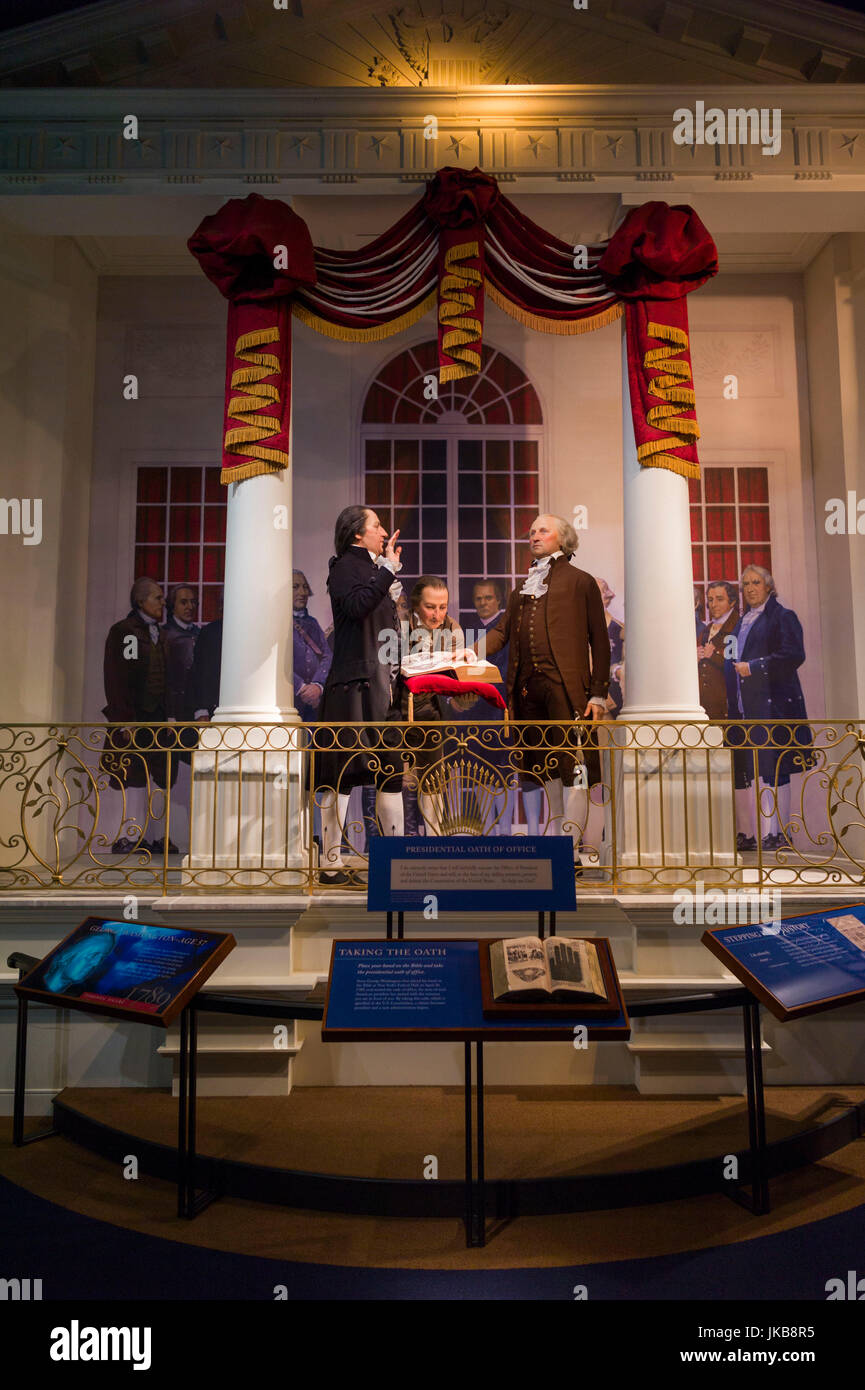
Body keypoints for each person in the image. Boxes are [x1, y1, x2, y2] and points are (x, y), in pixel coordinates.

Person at [481, 514, 610, 856]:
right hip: (528, 692)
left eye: (543, 530)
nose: (534, 535)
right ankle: (559, 842)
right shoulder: (521, 589)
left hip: (568, 691)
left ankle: (573, 847)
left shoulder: (581, 582)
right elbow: (501, 633)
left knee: (575, 769)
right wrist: (472, 648)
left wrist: (598, 691)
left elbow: (600, 639)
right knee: (546, 768)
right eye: (532, 531)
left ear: (563, 539)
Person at [317, 506, 403, 882]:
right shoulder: (344, 567)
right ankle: (331, 862)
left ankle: (393, 861)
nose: (384, 532)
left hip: (381, 686)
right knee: (343, 776)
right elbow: (355, 607)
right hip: (353, 688)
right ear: (357, 533)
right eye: (377, 526)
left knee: (391, 773)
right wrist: (386, 572)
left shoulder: (371, 569)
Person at [724, 566, 814, 852]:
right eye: (745, 584)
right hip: (745, 707)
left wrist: (755, 667)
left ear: (768, 586)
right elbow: (731, 659)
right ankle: (763, 833)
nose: (750, 588)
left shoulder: (782, 616)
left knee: (776, 768)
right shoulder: (740, 622)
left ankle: (779, 834)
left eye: (756, 582)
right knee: (757, 771)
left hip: (773, 705)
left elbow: (794, 655)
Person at [388, 576, 477, 835]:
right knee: (393, 780)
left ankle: (434, 842)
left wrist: (466, 684)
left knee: (433, 781)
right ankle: (393, 846)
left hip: (430, 712)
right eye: (430, 607)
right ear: (416, 605)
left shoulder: (453, 628)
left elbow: (456, 675)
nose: (437, 614)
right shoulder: (399, 626)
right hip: (394, 711)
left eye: (442, 607)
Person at [100, 577, 179, 855]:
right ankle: (129, 836)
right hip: (134, 718)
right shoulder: (128, 632)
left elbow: (169, 679)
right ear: (140, 601)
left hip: (158, 717)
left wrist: (170, 715)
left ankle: (157, 837)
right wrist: (125, 719)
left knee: (161, 776)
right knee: (131, 775)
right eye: (157, 597)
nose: (162, 602)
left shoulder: (161, 633)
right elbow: (122, 676)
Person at [469, 579, 514, 835]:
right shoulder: (469, 630)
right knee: (479, 772)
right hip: (475, 712)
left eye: (488, 598)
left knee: (503, 772)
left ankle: (506, 831)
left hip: (501, 708)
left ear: (498, 600)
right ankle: (485, 828)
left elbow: (507, 669)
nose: (483, 603)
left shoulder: (507, 628)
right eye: (478, 598)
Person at [292, 570, 332, 721]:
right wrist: (301, 688)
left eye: (304, 587)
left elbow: (327, 656)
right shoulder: (277, 623)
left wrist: (317, 685)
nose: (302, 592)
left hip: (313, 704)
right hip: (290, 701)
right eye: (295, 587)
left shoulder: (313, 623)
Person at [697, 579, 739, 721]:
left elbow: (736, 662)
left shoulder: (737, 627)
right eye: (710, 599)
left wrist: (714, 655)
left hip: (727, 708)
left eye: (720, 599)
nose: (713, 604)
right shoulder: (707, 629)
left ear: (732, 602)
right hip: (706, 707)